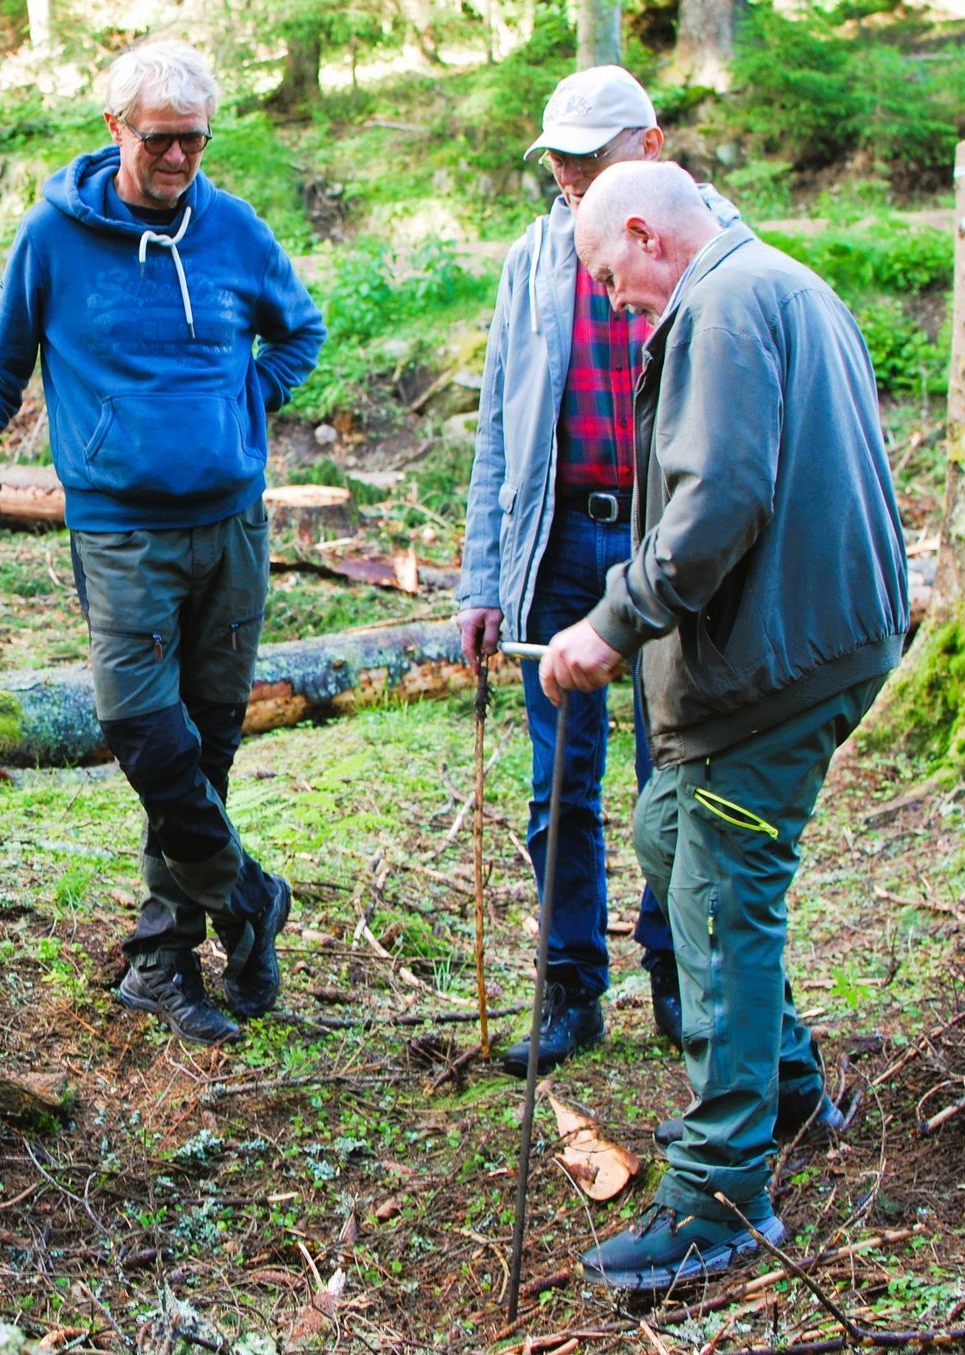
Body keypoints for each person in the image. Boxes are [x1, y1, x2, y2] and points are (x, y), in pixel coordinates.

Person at [0, 41, 324, 1046]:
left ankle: (161, 958)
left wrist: (244, 407)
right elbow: (0, 361)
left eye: (195, 139)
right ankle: (247, 897)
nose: (181, 158)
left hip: (230, 524)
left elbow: (300, 330)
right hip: (122, 528)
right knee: (143, 725)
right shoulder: (55, 237)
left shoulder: (232, 227)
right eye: (161, 139)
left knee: (205, 745)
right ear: (115, 129)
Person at [548, 161, 907, 1290]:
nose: (613, 303)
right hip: (815, 639)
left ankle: (720, 1193)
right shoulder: (778, 282)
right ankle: (789, 1081)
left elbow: (720, 499)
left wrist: (613, 623)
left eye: (612, 278)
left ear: (649, 235)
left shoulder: (724, 305)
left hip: (779, 660)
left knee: (712, 887)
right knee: (670, 833)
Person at [456, 66, 742, 1076]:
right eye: (562, 161)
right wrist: (483, 576)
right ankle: (571, 986)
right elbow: (500, 427)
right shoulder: (535, 257)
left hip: (669, 548)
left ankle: (680, 978)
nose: (574, 178)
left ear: (650, 148)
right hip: (562, 540)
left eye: (593, 157)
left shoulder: (717, 250)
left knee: (675, 769)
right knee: (558, 783)